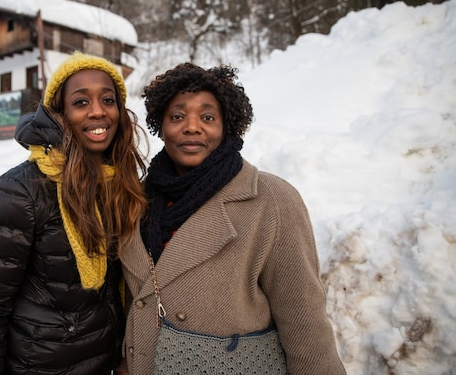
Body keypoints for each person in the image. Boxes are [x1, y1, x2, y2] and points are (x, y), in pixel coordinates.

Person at [119, 62, 347, 374]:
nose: (192, 126)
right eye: (177, 116)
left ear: (228, 125)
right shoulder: (139, 200)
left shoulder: (272, 199)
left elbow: (304, 320)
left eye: (208, 117)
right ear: (162, 125)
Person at [0, 52, 147, 375]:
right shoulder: (21, 191)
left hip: (104, 361)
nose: (99, 111)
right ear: (59, 113)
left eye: (107, 99)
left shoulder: (120, 184)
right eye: (81, 102)